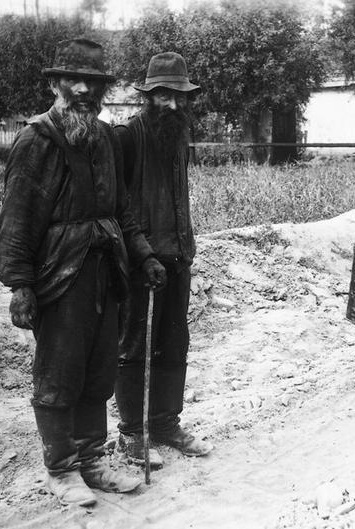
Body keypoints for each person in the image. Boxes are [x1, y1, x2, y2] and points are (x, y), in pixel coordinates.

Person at [0, 38, 166, 506]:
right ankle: (62, 468)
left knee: (98, 369)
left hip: (106, 268)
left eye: (93, 82)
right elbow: (18, 218)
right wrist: (20, 285)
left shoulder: (106, 138)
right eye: (74, 80)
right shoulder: (36, 140)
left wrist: (144, 254)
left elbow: (124, 207)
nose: (84, 89)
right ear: (55, 84)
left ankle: (92, 459)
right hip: (59, 272)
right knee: (60, 372)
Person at [113, 52, 213, 468]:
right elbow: (119, 206)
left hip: (178, 259)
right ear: (148, 96)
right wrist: (143, 253)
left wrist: (183, 250)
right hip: (141, 263)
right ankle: (132, 434)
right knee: (135, 347)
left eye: (179, 97)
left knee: (174, 344)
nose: (172, 104)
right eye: (163, 96)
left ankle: (167, 423)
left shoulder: (178, 138)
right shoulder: (128, 138)